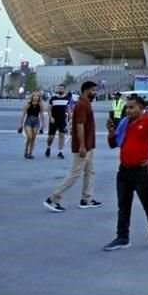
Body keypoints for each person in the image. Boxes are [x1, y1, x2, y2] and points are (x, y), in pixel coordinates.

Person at [103, 95, 148, 251]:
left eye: (132, 107)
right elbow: (113, 144)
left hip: (141, 171)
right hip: (124, 170)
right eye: (127, 107)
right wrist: (111, 132)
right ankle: (122, 237)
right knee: (123, 205)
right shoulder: (124, 124)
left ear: (141, 108)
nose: (128, 110)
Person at [44, 81, 101, 212]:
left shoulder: (86, 103)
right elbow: (79, 125)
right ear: (86, 90)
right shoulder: (82, 105)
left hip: (89, 145)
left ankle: (87, 199)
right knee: (75, 173)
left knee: (90, 171)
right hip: (84, 146)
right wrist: (82, 145)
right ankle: (53, 198)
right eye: (93, 90)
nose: (95, 93)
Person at [45, 84, 71, 159]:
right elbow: (49, 109)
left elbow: (68, 109)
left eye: (62, 89)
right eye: (59, 88)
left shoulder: (67, 98)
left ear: (64, 90)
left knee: (62, 136)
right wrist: (50, 117)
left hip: (62, 120)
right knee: (51, 137)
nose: (60, 90)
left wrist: (70, 118)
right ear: (57, 89)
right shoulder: (53, 98)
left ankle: (60, 152)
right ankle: (48, 147)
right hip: (54, 120)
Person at [18, 92, 46, 159]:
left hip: (36, 121)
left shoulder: (40, 105)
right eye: (34, 96)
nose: (36, 97)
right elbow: (23, 114)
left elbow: (42, 115)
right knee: (29, 137)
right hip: (28, 121)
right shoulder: (28, 104)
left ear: (39, 97)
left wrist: (43, 124)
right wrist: (20, 124)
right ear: (32, 97)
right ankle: (26, 150)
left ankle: (30, 153)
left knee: (33, 138)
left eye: (37, 96)